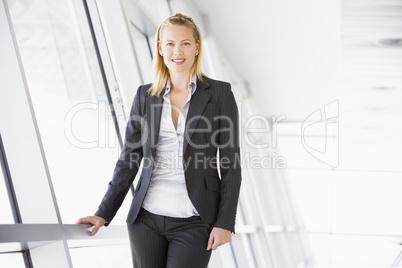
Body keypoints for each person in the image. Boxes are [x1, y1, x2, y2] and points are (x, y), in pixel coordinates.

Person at [77, 13, 241, 268]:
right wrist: (103, 213)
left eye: (185, 43)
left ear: (197, 47)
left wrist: (225, 222)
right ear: (160, 49)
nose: (178, 51)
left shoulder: (219, 93)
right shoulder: (145, 95)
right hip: (146, 220)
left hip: (196, 220)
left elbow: (231, 163)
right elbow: (129, 159)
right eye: (170, 44)